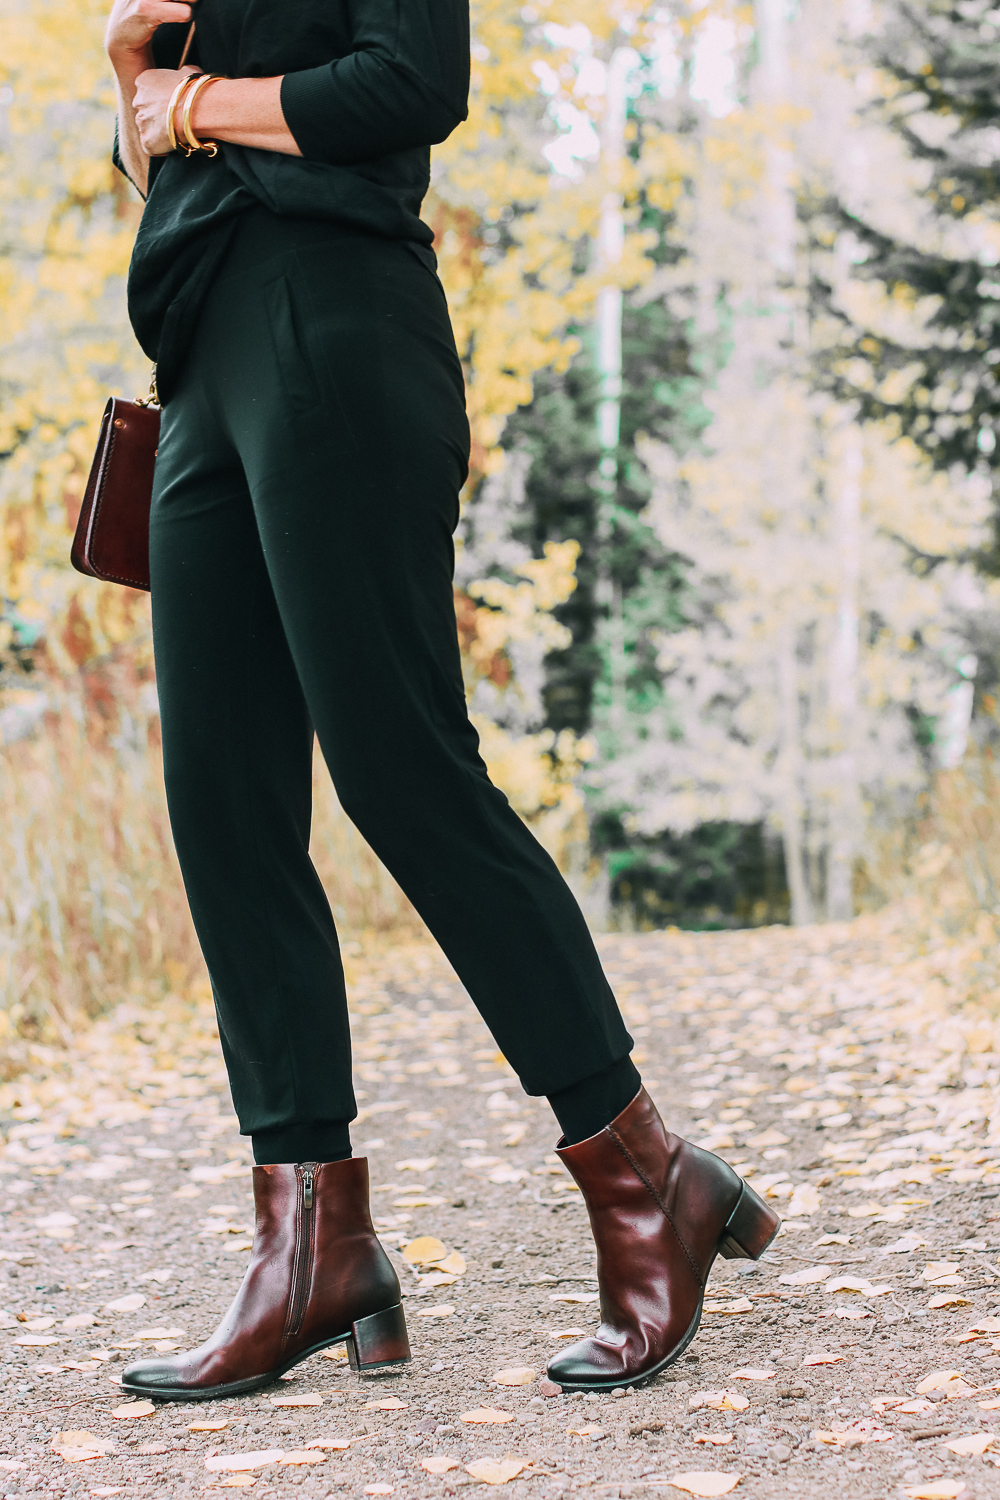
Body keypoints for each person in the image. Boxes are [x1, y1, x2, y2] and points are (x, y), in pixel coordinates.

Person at [105, 0, 779, 1402]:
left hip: (335, 320)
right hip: (199, 353)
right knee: (221, 802)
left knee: (403, 769)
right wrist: (137, 81)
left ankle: (646, 1171)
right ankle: (312, 1246)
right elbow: (161, 157)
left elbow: (412, 81)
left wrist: (198, 99)